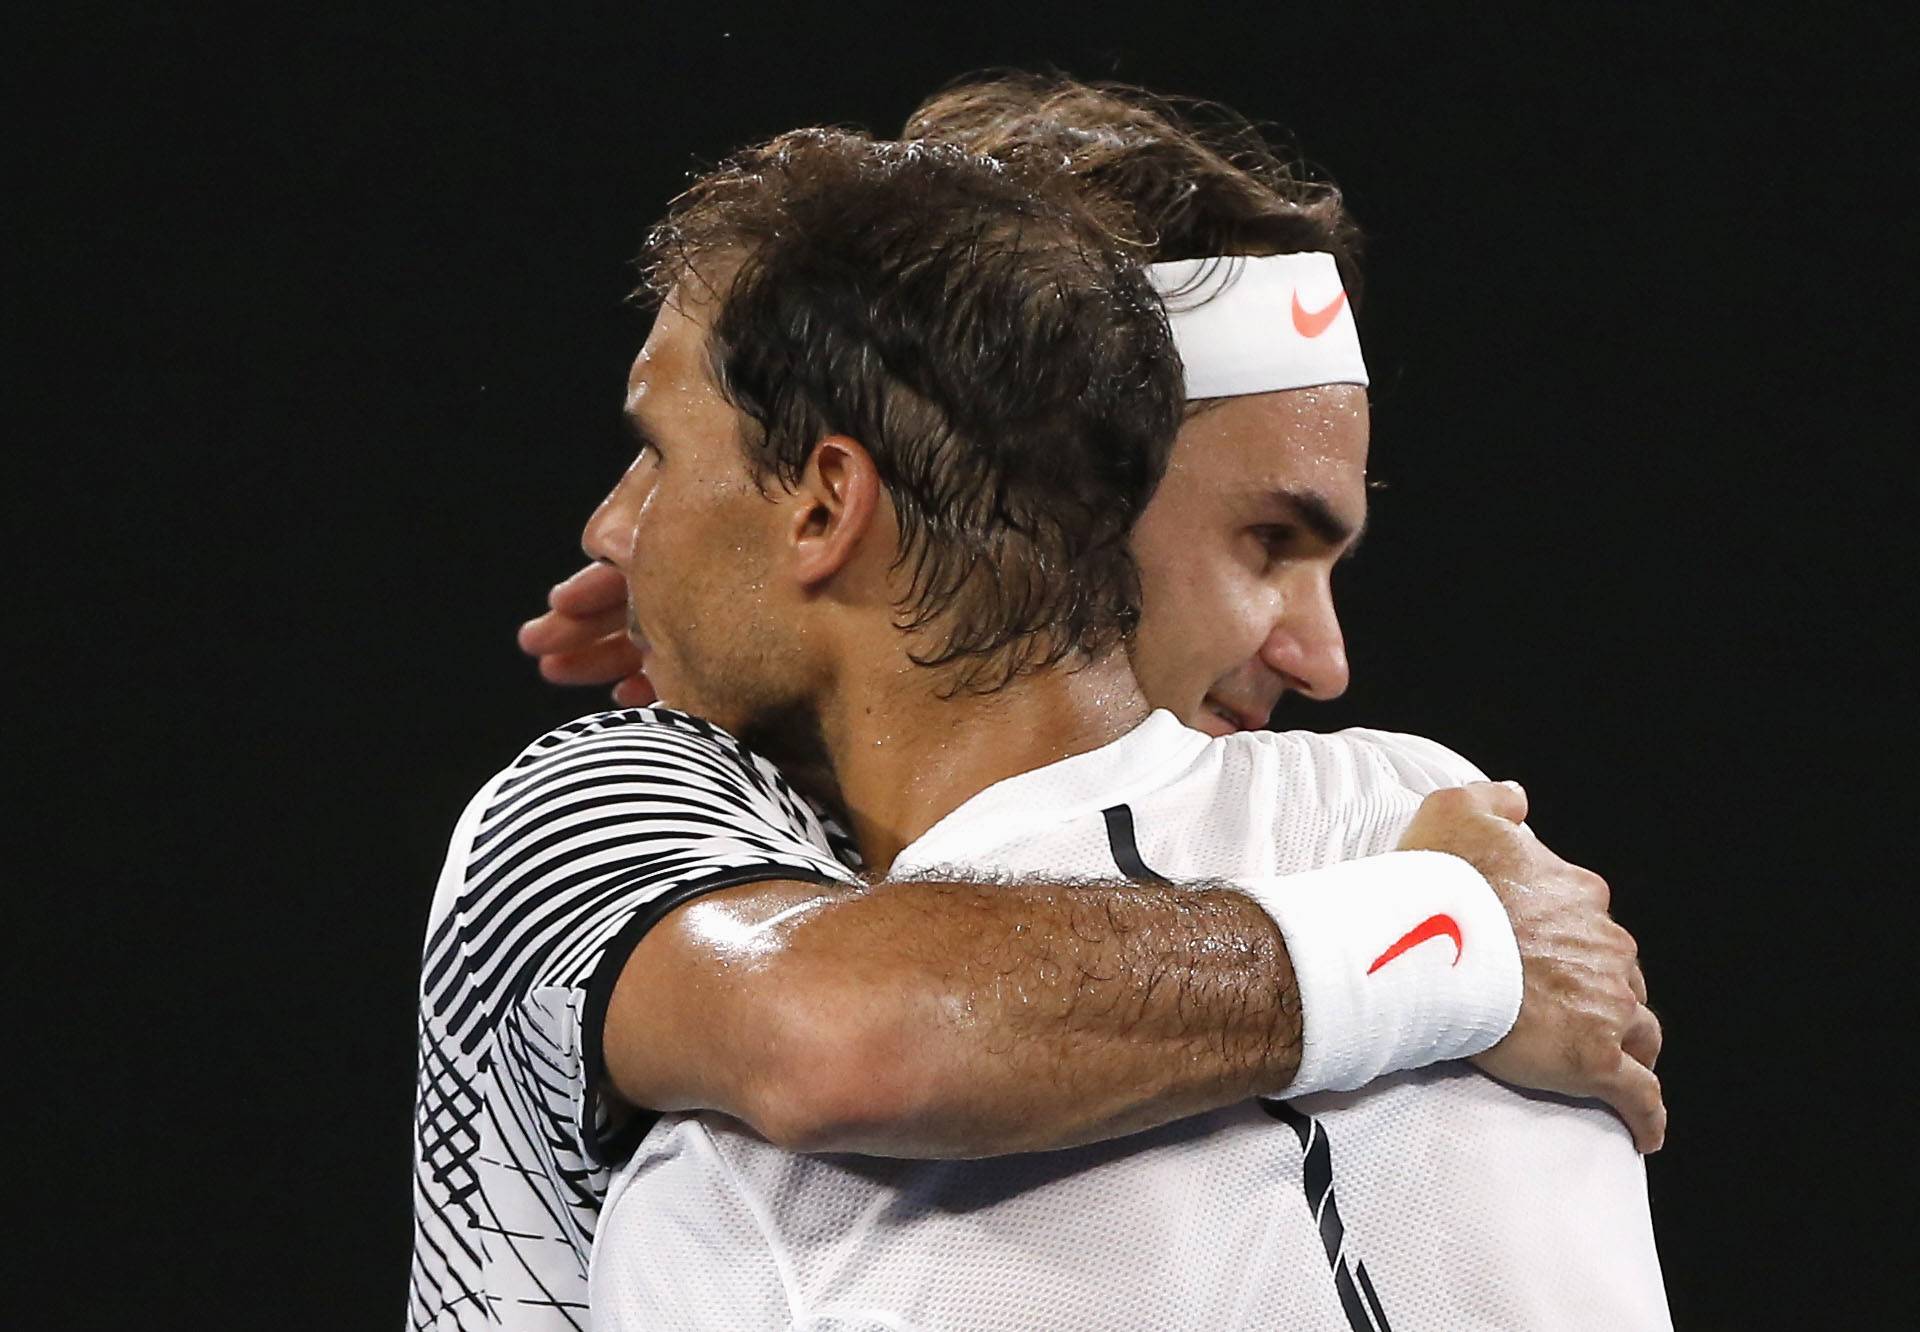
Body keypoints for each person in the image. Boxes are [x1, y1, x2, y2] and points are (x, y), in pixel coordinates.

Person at [412, 86, 1656, 1332]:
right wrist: (1440, 938)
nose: (1323, 654)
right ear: (1089, 488)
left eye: (664, 459)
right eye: (1263, 539)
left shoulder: (766, 1200)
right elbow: (840, 1032)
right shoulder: (1439, 862)